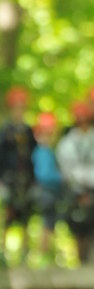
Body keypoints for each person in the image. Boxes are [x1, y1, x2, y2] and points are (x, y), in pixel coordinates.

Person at [56, 101, 94, 263]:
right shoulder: (67, 143)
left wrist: (91, 183)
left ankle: (90, 258)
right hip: (74, 191)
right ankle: (79, 259)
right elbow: (65, 168)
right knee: (75, 225)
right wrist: (78, 185)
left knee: (92, 223)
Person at [0, 86, 36, 265]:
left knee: (25, 217)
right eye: (16, 107)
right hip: (8, 178)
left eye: (22, 107)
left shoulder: (28, 131)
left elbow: (33, 155)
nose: (19, 111)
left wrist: (33, 178)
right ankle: (3, 254)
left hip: (25, 180)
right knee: (7, 215)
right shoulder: (5, 131)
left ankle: (25, 255)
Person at [31, 111, 65, 262]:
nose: (48, 137)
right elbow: (44, 175)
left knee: (50, 224)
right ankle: (43, 255)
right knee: (47, 223)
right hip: (46, 192)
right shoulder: (43, 152)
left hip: (50, 193)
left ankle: (47, 254)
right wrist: (60, 178)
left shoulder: (48, 151)